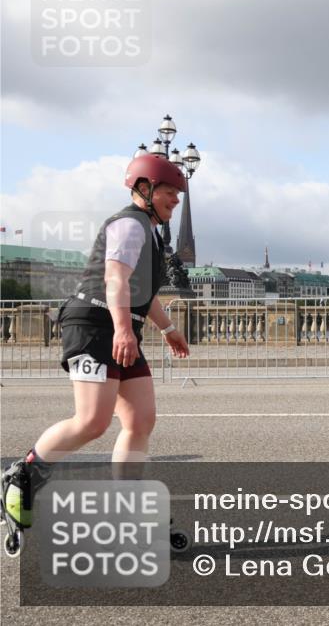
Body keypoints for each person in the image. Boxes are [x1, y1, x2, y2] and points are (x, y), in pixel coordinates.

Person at [3, 154, 191, 546]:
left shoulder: (153, 234)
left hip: (121, 326)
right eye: (170, 191)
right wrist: (123, 329)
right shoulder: (129, 225)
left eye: (178, 192)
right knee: (92, 421)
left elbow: (145, 292)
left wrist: (169, 328)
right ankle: (22, 475)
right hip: (93, 324)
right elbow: (115, 279)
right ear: (145, 189)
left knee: (141, 420)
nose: (176, 199)